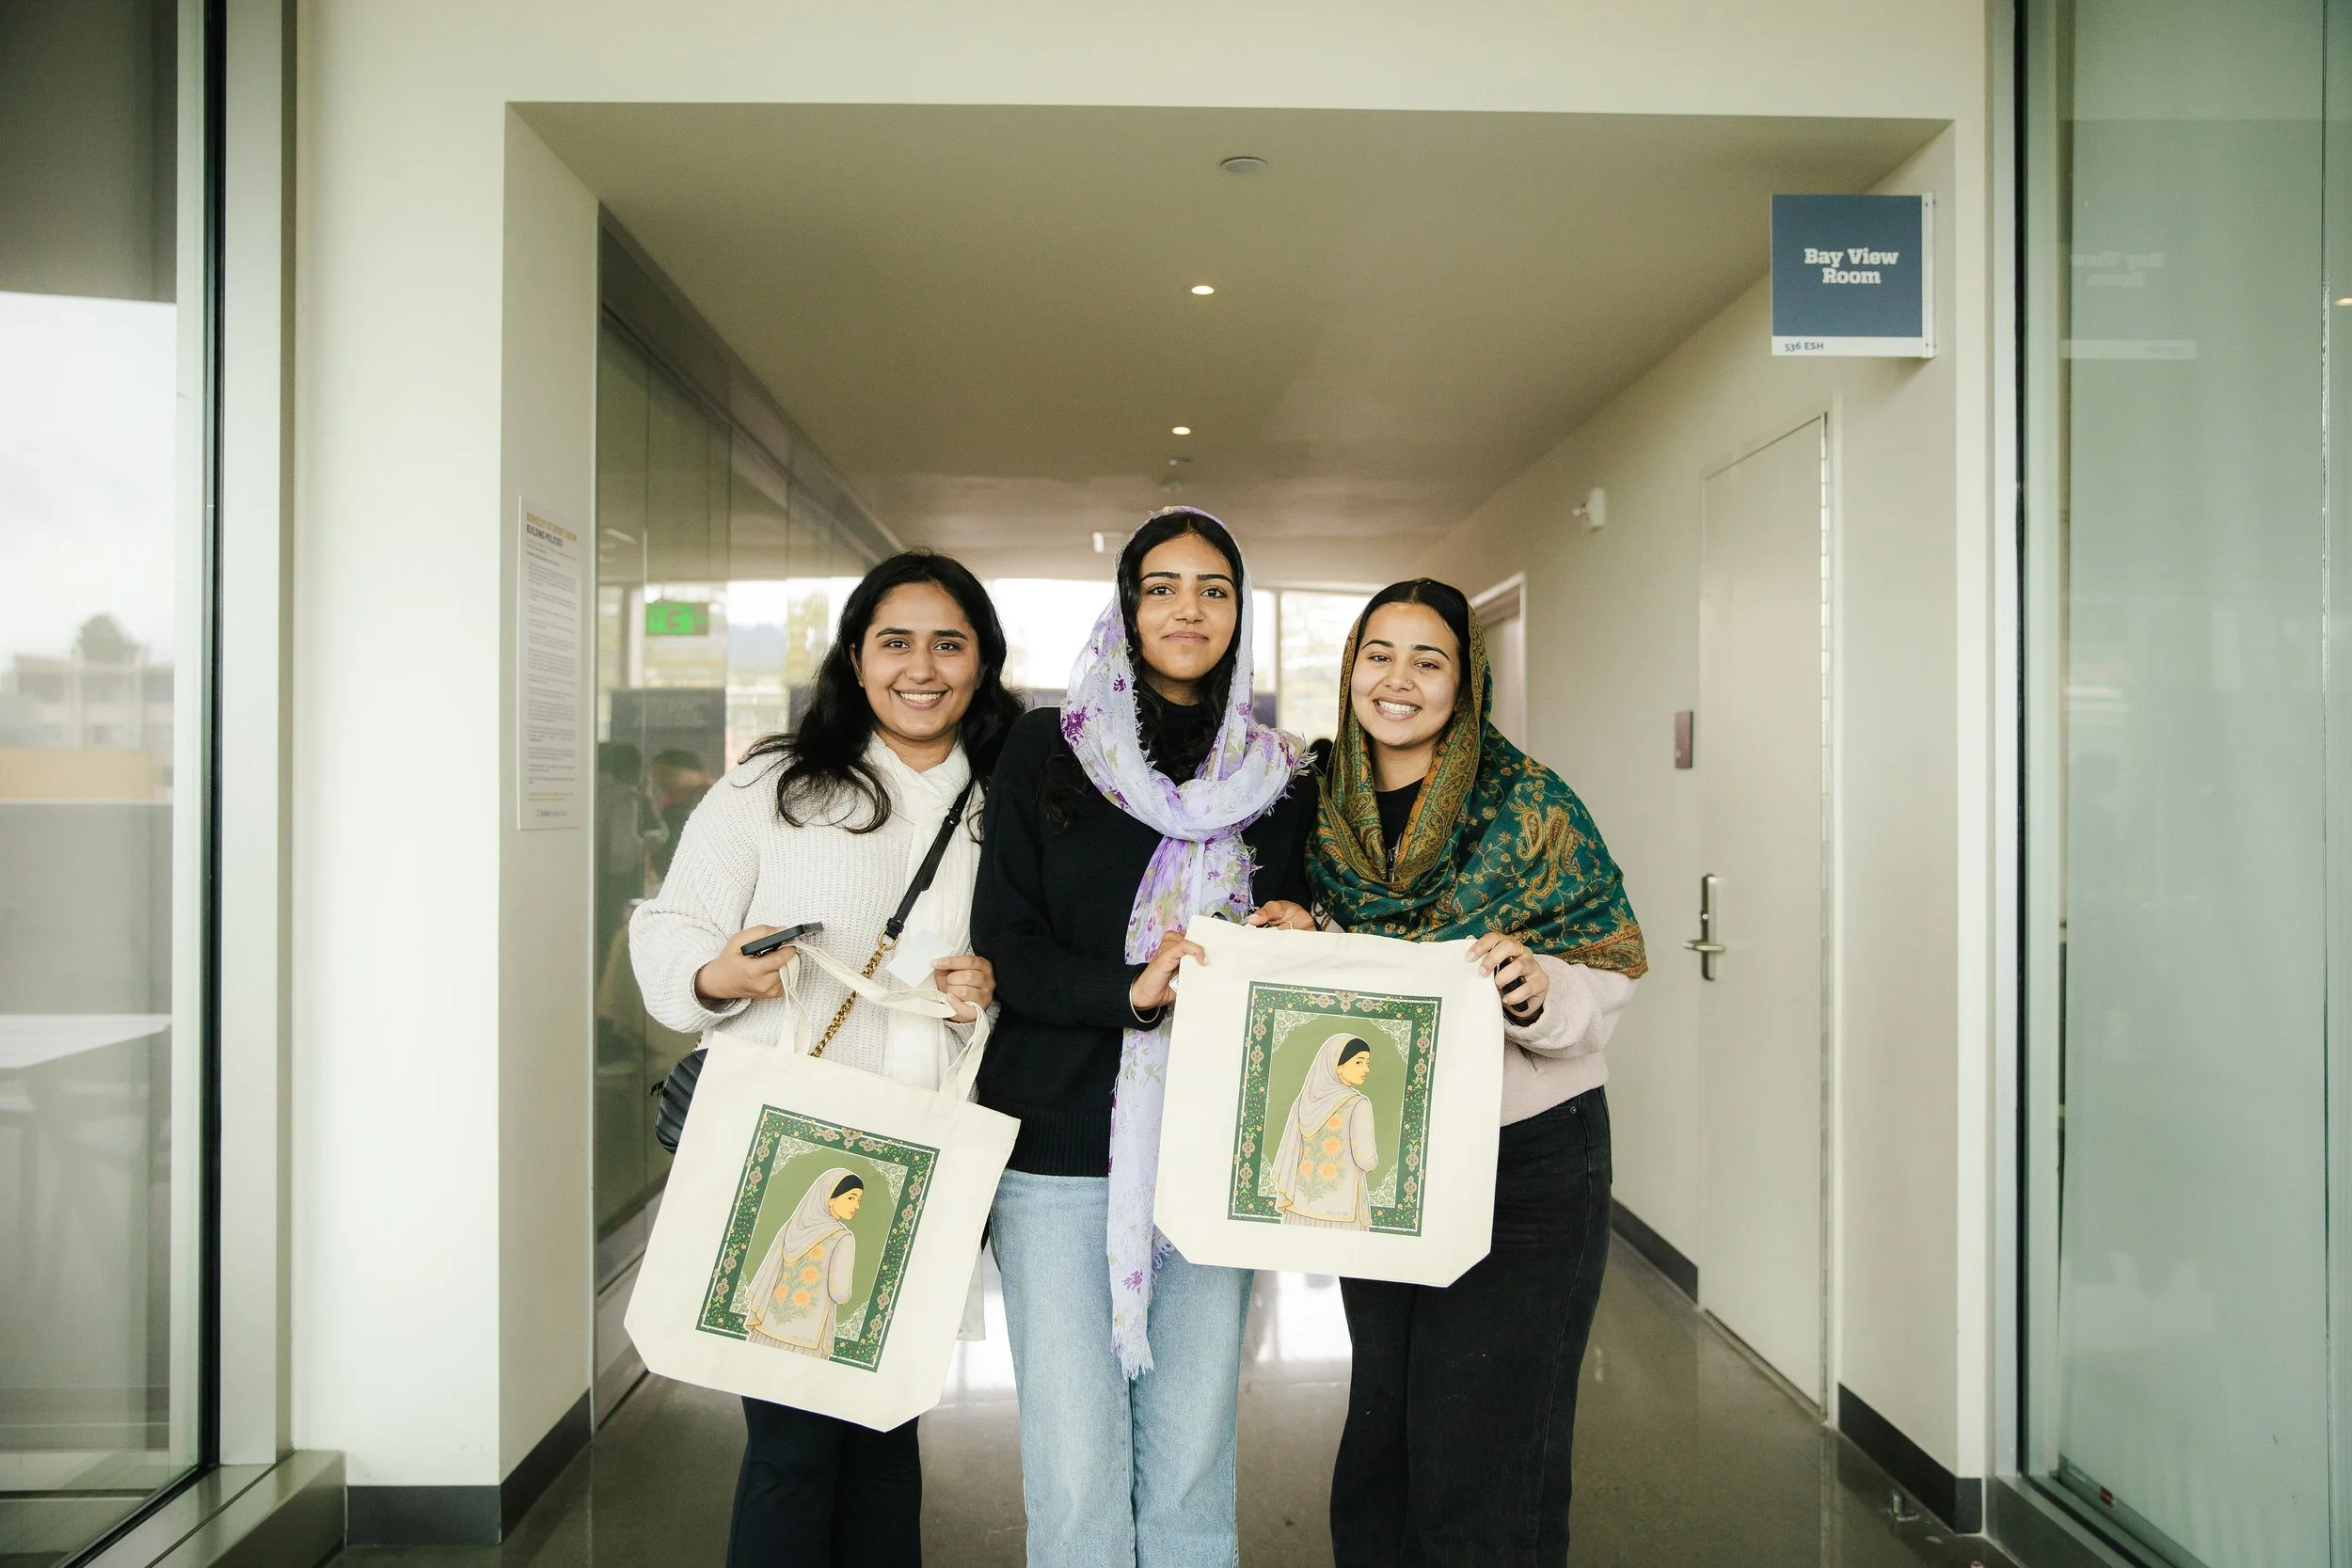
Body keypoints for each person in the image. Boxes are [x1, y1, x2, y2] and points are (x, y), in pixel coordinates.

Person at [630, 550, 1024, 1568]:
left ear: (983, 662)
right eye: (895, 641)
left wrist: (992, 982)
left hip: (927, 1160)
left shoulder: (1010, 797)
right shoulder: (775, 783)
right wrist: (718, 970)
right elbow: (667, 924)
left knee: (890, 1427)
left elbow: (1046, 951)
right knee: (795, 1443)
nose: (921, 666)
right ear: (856, 657)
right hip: (789, 1157)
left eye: (949, 642)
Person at [1269, 578, 1645, 1568]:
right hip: (1382, 1156)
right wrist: (1305, 933)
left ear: (1465, 681)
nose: (1398, 679)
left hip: (1523, 1159)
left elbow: (1605, 970)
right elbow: (1337, 978)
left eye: (1427, 659)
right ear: (1351, 666)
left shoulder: (1530, 804)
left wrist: (1536, 984)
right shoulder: (1314, 810)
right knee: (1385, 1427)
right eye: (1378, 654)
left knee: (1485, 1442)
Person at [970, 507, 1318, 1568]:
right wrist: (1134, 988)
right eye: (1161, 584)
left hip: (1210, 1155)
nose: (1187, 607)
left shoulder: (1278, 779)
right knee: (1075, 1481)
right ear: (1126, 605)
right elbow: (1008, 950)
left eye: (1213, 587)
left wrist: (1298, 929)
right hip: (1058, 1154)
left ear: (1238, 612)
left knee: (1189, 1473)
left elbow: (1293, 962)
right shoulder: (1047, 746)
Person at [743, 1169, 866, 1357]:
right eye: (851, 1198)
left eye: (859, 1200)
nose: (857, 1205)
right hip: (807, 1339)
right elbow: (839, 1293)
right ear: (830, 1198)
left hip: (767, 1328)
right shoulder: (842, 1238)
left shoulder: (792, 1228)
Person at [1272, 1033, 1378, 1229]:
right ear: (1338, 1065)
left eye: (1367, 1063)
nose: (1366, 1069)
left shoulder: (1304, 1102)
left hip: (1300, 1207)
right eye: (1359, 1062)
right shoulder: (1357, 1104)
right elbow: (1366, 1160)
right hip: (1342, 1212)